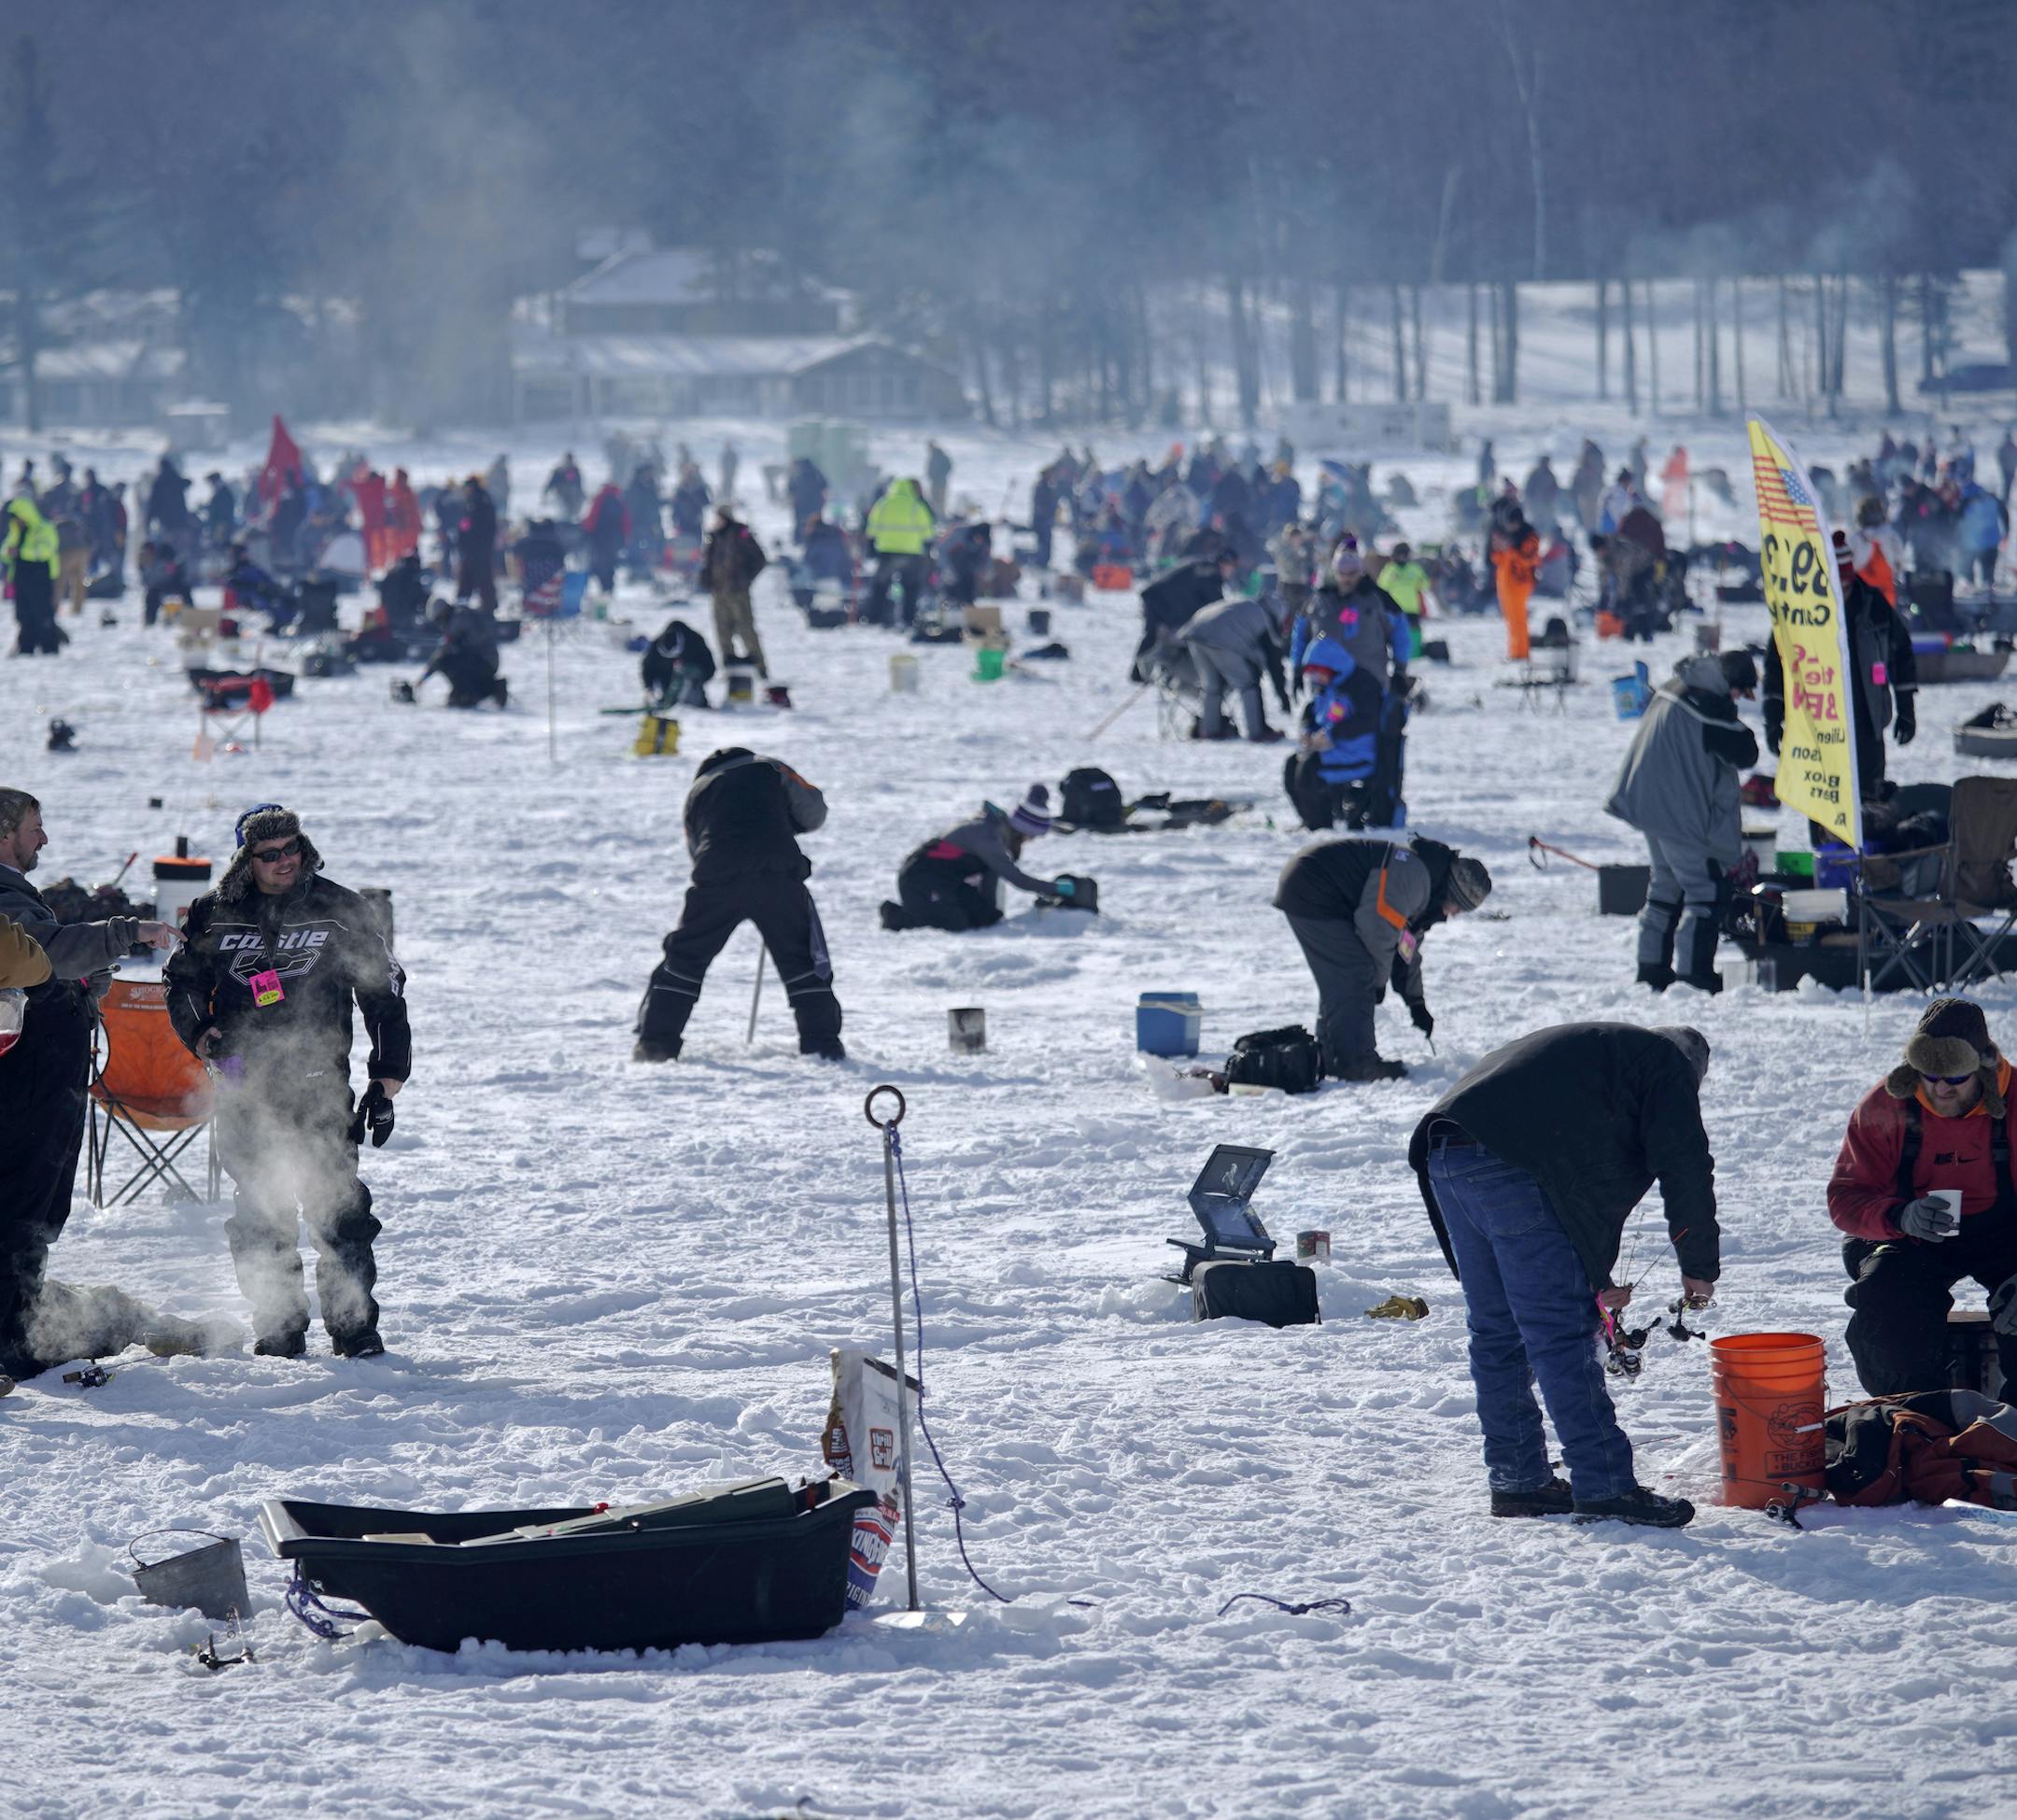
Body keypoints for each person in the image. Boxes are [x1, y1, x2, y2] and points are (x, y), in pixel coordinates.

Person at [1408, 1023, 1719, 1528]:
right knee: (1560, 1335)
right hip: (1510, 1163)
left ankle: (1518, 1480)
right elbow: (1684, 1164)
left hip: (1445, 1150)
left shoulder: (1594, 1061)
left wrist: (1591, 1275)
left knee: (1498, 1331)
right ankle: (1606, 1485)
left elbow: (1577, 1185)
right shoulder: (1665, 1064)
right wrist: (1699, 1267)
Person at [166, 805, 409, 1359]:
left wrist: (389, 1076)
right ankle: (277, 1327)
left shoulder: (340, 908)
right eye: (269, 854)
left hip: (321, 1083)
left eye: (292, 849)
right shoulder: (215, 912)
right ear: (246, 861)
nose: (284, 862)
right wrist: (200, 1033)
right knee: (260, 1213)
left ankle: (354, 1328)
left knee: (341, 1211)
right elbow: (179, 982)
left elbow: (384, 992)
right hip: (243, 1085)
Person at [0, 789, 183, 1379]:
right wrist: (126, 932)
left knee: (33, 1203)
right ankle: (11, 1337)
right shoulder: (4, 895)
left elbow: (46, 967)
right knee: (23, 1204)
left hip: (39, 1079)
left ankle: (21, 1322)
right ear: (6, 833)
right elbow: (45, 953)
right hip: (26, 1085)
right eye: (35, 828)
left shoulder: (18, 896)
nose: (43, 839)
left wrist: (82, 983)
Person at [1829, 999, 2017, 1398]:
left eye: (1955, 1078)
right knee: (1888, 1317)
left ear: (1982, 1070)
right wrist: (1900, 1216)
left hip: (2005, 1237)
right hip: (1911, 1239)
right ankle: (1918, 1427)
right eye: (1929, 1076)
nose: (1940, 1089)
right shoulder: (1885, 1105)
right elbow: (1845, 1198)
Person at [634, 750, 842, 1064]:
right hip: (778, 873)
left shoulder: (698, 791)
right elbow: (814, 811)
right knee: (802, 961)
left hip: (718, 874)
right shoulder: (770, 767)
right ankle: (822, 1047)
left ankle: (656, 1046)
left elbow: (695, 846)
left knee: (686, 959)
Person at [1272, 836, 1491, 1081]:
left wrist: (1415, 1002)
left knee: (1346, 974)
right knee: (1356, 972)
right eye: (1458, 906)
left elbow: (1407, 950)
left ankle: (1332, 1056)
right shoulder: (1414, 877)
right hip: (1313, 886)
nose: (1454, 915)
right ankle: (1355, 1062)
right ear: (1452, 890)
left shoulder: (1425, 889)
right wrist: (1376, 984)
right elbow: (1376, 931)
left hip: (1317, 888)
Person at [1605, 649, 1760, 994]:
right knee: (1706, 892)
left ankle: (1652, 970)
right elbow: (1745, 751)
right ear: (1729, 681)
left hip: (1651, 805)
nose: (1738, 699)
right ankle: (1695, 976)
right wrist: (1732, 714)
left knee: (1666, 888)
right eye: (1740, 691)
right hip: (1679, 811)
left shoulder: (1679, 684)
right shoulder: (1706, 704)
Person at [1765, 531, 1916, 803]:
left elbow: (1901, 653)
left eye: (1844, 585)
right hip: (1818, 724)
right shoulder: (1799, 608)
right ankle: (1827, 846)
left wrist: (1906, 709)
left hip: (1866, 721)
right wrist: (1773, 718)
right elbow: (1777, 667)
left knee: (1869, 800)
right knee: (1824, 802)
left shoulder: (1873, 606)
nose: (1839, 593)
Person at [880, 787, 1069, 931]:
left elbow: (992, 875)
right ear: (1023, 831)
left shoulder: (998, 833)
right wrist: (1056, 888)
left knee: (984, 918)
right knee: (954, 924)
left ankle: (931, 907)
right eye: (1032, 836)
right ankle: (895, 915)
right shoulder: (987, 837)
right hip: (919, 879)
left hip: (947, 882)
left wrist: (990, 912)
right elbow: (1016, 878)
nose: (1031, 841)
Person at [1176, 592, 1290, 742]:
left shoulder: (1245, 605)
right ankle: (1258, 731)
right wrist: (1282, 693)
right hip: (1220, 639)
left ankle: (1210, 730)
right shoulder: (1264, 618)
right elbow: (1273, 660)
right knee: (1249, 685)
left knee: (1212, 687)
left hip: (1195, 634)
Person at [700, 505, 769, 678]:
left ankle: (760, 668)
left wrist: (745, 579)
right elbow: (707, 561)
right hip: (719, 592)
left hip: (738, 593)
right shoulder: (713, 537)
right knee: (722, 632)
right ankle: (729, 668)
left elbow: (759, 559)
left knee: (746, 631)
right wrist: (705, 578)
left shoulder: (741, 534)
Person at [864, 477, 936, 628]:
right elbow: (927, 531)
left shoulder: (883, 503)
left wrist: (870, 545)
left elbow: (872, 526)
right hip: (911, 553)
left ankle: (876, 617)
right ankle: (908, 618)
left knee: (881, 586)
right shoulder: (916, 506)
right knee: (910, 588)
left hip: (887, 552)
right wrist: (928, 547)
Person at [418, 599, 507, 708]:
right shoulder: (461, 614)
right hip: (485, 662)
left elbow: (443, 652)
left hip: (483, 662)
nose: (440, 625)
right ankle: (492, 689)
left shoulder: (458, 619)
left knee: (446, 662)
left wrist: (424, 677)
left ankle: (465, 695)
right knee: (454, 660)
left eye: (439, 620)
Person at [1489, 511, 1537, 662]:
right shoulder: (1509, 536)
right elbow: (1497, 559)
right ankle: (1514, 651)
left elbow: (1528, 560)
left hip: (1520, 584)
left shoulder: (1529, 537)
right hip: (1505, 584)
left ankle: (1522, 652)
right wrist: (1497, 547)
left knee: (1519, 619)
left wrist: (1509, 549)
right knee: (1510, 619)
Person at [1376, 542, 1435, 659]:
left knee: (1413, 632)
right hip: (1393, 609)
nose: (1402, 558)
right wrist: (1391, 579)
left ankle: (1414, 654)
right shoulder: (1389, 570)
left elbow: (1425, 585)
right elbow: (1381, 587)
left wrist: (1423, 581)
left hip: (1412, 607)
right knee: (1393, 634)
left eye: (1405, 555)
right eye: (1400, 555)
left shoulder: (1414, 569)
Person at [642, 617, 716, 707]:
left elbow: (710, 667)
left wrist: (700, 677)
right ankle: (668, 699)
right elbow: (648, 667)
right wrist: (649, 687)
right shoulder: (656, 645)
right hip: (667, 682)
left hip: (691, 683)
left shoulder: (695, 641)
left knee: (688, 671)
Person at [456, 474, 499, 614]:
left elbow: (477, 525)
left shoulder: (479, 501)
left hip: (479, 549)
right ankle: (463, 605)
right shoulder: (474, 500)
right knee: (468, 578)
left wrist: (466, 529)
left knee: (482, 577)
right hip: (474, 550)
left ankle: (488, 607)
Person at [583, 479, 631, 594]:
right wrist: (625, 538)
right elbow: (626, 522)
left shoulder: (599, 499)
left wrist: (587, 532)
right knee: (611, 563)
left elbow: (591, 518)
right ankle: (609, 586)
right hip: (615, 540)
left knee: (600, 562)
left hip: (599, 538)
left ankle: (603, 586)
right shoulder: (619, 502)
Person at [543, 452, 585, 520]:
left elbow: (579, 485)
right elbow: (550, 484)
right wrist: (545, 496)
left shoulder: (575, 470)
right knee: (564, 511)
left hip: (573, 495)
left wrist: (582, 495)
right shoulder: (558, 471)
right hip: (561, 495)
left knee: (574, 509)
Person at [924, 439, 952, 517]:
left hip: (941, 482)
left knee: (940, 499)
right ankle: (936, 515)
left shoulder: (940, 455)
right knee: (934, 498)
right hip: (934, 482)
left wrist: (941, 475)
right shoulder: (932, 456)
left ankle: (941, 515)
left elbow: (948, 466)